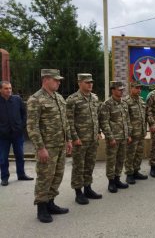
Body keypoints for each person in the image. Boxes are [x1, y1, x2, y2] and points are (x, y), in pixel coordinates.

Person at [27, 69, 72, 223]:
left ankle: (51, 203)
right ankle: (41, 208)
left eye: (59, 80)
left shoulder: (59, 98)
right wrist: (40, 148)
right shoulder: (36, 99)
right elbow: (32, 127)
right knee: (45, 178)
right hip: (47, 147)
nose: (59, 82)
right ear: (46, 79)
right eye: (56, 80)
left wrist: (69, 140)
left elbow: (65, 122)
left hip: (60, 145)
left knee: (57, 176)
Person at [66, 73, 102, 205]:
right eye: (87, 82)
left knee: (90, 164)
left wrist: (98, 132)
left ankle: (88, 188)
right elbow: (69, 121)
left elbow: (96, 117)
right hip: (80, 140)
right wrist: (74, 138)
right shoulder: (73, 99)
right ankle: (78, 192)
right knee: (78, 166)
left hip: (92, 139)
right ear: (79, 83)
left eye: (91, 82)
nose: (90, 84)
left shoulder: (94, 98)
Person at [99, 81, 131, 192]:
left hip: (123, 136)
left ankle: (117, 179)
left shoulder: (124, 103)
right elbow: (104, 122)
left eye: (122, 89)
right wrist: (110, 137)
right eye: (119, 89)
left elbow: (127, 120)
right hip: (113, 137)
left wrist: (128, 135)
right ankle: (111, 182)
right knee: (111, 160)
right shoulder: (107, 104)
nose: (121, 91)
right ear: (113, 90)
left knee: (121, 159)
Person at [0, 81, 33, 187]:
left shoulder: (17, 99)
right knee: (3, 157)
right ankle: (4, 178)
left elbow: (24, 113)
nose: (9, 90)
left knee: (20, 155)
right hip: (3, 136)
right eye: (6, 88)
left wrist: (21, 127)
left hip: (17, 134)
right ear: (0, 90)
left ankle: (21, 174)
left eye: (10, 88)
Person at [124, 82, 148, 185]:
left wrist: (145, 130)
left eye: (140, 88)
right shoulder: (126, 101)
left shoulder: (141, 101)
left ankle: (136, 171)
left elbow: (144, 117)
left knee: (139, 153)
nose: (139, 90)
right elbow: (125, 119)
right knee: (130, 154)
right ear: (131, 88)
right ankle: (129, 174)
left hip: (141, 132)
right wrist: (128, 134)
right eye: (137, 88)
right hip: (132, 133)